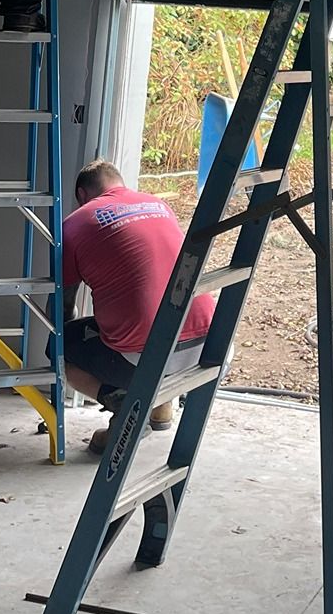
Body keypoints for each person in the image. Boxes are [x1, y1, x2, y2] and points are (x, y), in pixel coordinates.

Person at [57, 159, 217, 452]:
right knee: (160, 315)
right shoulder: (158, 205)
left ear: (82, 194)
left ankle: (125, 407)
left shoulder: (76, 223)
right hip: (208, 345)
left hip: (144, 359)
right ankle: (161, 408)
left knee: (60, 344)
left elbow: (62, 306)